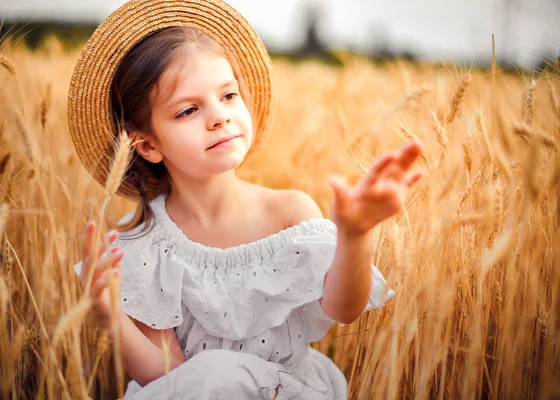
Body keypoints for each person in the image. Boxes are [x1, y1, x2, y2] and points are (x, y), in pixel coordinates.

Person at [69, 1, 424, 399]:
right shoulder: (147, 245)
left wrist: (355, 235)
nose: (219, 116)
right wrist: (110, 316)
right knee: (215, 375)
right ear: (149, 145)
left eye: (228, 95)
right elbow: (169, 377)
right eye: (188, 110)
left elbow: (345, 309)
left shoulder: (289, 212)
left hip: (282, 393)